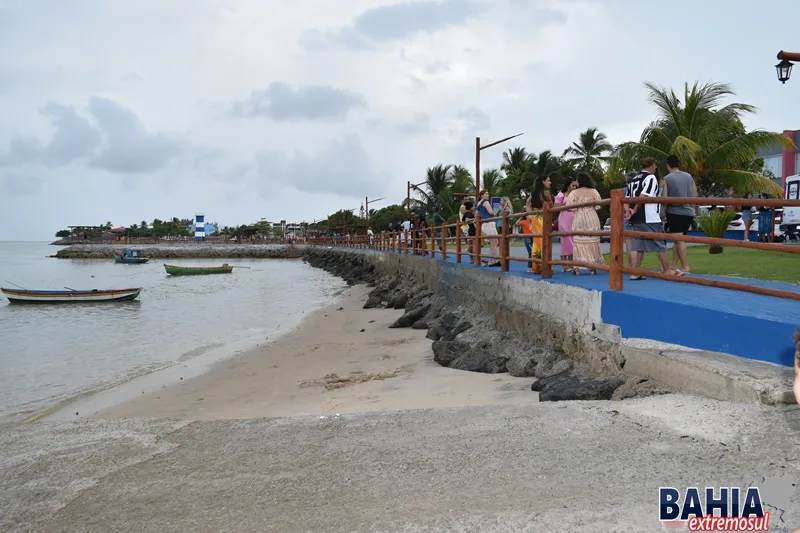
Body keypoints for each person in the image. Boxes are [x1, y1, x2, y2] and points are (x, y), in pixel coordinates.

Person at [625, 157, 681, 279]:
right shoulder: (650, 178)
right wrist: (634, 209)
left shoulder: (634, 179)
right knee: (660, 243)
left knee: (639, 246)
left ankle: (635, 272)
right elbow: (643, 196)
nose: (656, 168)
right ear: (650, 166)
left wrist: (628, 211)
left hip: (636, 218)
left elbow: (626, 197)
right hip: (649, 216)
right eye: (655, 165)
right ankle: (667, 271)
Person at [664, 155, 698, 274]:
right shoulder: (689, 176)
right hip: (689, 212)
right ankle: (674, 265)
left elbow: (665, 198)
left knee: (679, 240)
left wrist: (663, 213)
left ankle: (685, 266)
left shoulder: (667, 178)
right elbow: (694, 194)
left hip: (675, 212)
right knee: (678, 240)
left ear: (668, 165)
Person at [566, 172, 605, 275]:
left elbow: (569, 207)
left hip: (579, 217)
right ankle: (593, 267)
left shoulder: (573, 193)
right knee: (593, 240)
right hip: (591, 217)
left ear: (579, 181)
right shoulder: (594, 191)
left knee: (579, 241)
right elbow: (598, 206)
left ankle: (577, 267)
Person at [527, 175, 553, 274]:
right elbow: (551, 207)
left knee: (537, 242)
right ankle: (545, 266)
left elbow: (528, 206)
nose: (550, 182)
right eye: (548, 180)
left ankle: (536, 267)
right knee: (545, 242)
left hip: (535, 219)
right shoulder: (546, 193)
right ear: (543, 182)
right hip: (544, 219)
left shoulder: (533, 194)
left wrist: (531, 216)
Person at [554, 178, 577, 270]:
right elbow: (555, 207)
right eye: (573, 185)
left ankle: (571, 264)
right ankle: (564, 265)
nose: (575, 187)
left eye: (576, 186)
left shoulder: (575, 195)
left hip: (574, 219)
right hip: (564, 219)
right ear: (568, 185)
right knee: (565, 242)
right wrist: (565, 204)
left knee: (573, 241)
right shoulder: (561, 194)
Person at [476, 190, 500, 266]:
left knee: (493, 243)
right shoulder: (486, 202)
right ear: (482, 195)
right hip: (489, 223)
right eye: (486, 194)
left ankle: (493, 260)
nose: (487, 195)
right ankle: (493, 261)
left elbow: (477, 214)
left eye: (488, 193)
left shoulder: (478, 203)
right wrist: (496, 211)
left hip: (485, 224)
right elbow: (491, 212)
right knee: (494, 243)